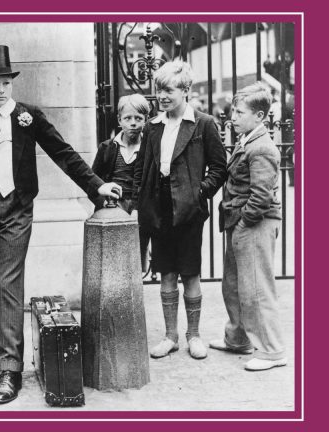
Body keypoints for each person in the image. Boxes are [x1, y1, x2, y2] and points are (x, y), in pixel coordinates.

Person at [0, 45, 121, 404]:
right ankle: (0, 360)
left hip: (16, 207)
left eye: (6, 83)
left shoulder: (27, 116)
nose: (1, 90)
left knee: (8, 282)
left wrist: (97, 185)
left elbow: (63, 152)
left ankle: (10, 370)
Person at [134, 60, 227, 360]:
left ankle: (194, 335)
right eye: (159, 89)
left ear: (185, 90)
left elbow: (219, 168)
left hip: (188, 210)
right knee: (166, 272)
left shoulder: (203, 124)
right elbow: (142, 168)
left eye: (169, 90)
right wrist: (140, 203)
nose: (162, 96)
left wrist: (199, 192)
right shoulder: (152, 126)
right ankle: (170, 336)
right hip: (158, 207)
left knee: (190, 273)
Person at [209, 82, 286, 371]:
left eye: (240, 112)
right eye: (233, 111)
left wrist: (244, 223)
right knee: (234, 284)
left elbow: (262, 196)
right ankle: (238, 338)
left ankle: (272, 351)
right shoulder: (248, 140)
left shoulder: (262, 147)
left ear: (259, 116)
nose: (233, 117)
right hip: (242, 222)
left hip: (255, 223)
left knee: (256, 288)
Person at [91, 93, 150, 272]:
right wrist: (104, 204)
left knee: (135, 262)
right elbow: (93, 183)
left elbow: (151, 183)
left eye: (138, 118)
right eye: (127, 118)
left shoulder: (149, 148)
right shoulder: (107, 148)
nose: (133, 123)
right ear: (119, 120)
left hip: (139, 211)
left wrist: (139, 208)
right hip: (112, 208)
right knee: (112, 261)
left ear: (146, 120)